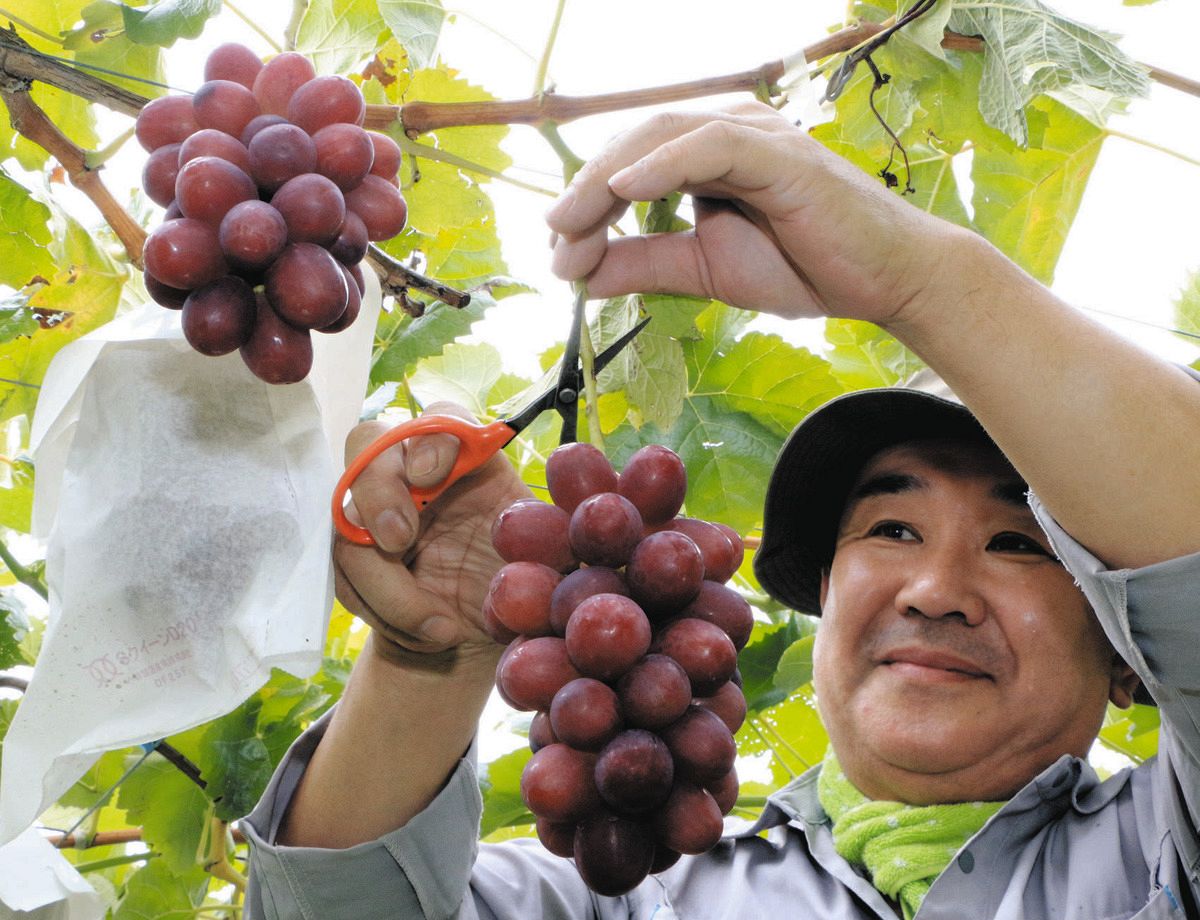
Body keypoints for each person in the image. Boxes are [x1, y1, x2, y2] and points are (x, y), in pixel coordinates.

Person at [240, 102, 1200, 919]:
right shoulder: (634, 892)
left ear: (1129, 649)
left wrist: (918, 279)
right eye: (892, 530)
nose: (936, 590)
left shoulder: (1166, 856)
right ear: (826, 590)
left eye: (1017, 544)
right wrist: (430, 658)